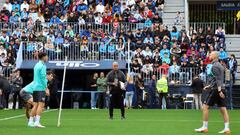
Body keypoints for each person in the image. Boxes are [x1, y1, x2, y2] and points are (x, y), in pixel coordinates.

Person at [195, 51, 231, 134]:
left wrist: (219, 90)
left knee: (205, 107)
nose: (209, 55)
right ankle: (227, 128)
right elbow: (218, 79)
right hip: (220, 88)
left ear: (215, 56)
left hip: (216, 90)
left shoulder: (214, 66)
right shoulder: (220, 65)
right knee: (223, 109)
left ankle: (204, 127)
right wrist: (210, 86)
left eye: (211, 54)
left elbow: (218, 79)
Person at [28, 52, 49, 128]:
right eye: (46, 56)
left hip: (35, 87)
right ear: (43, 57)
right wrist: (46, 87)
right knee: (41, 105)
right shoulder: (43, 65)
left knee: (35, 105)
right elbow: (43, 77)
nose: (47, 58)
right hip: (40, 87)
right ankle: (37, 122)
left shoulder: (36, 65)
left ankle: (30, 122)